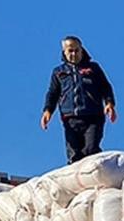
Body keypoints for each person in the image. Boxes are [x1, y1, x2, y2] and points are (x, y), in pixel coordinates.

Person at [42, 35, 117, 164]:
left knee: (91, 149)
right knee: (74, 154)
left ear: (82, 50)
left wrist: (109, 103)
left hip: (93, 116)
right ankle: (76, 181)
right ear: (64, 52)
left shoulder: (93, 68)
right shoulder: (58, 72)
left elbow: (105, 87)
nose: (74, 54)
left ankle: (95, 176)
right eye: (70, 51)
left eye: (77, 50)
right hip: (70, 118)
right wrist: (48, 111)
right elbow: (53, 93)